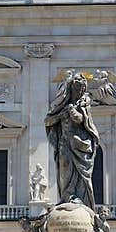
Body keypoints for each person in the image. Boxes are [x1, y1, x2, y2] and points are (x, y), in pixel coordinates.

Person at [45, 73, 101, 209]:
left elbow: (82, 119)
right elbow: (48, 121)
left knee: (81, 175)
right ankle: (67, 196)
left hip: (80, 144)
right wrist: (60, 115)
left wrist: (73, 112)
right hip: (65, 143)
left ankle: (79, 197)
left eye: (81, 89)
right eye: (76, 89)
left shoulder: (83, 104)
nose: (79, 92)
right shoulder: (63, 106)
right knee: (64, 170)